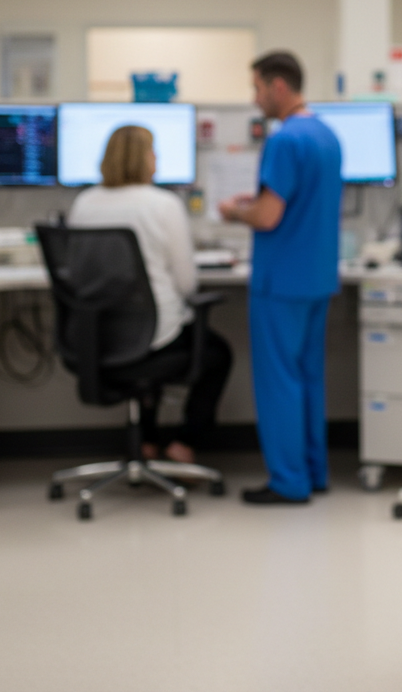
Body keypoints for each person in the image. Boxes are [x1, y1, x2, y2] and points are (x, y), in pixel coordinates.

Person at [218, 51, 342, 505]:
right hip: (316, 278)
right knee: (308, 377)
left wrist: (235, 211)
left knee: (279, 382)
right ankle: (314, 472)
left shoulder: (285, 140)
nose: (255, 99)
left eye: (256, 88)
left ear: (278, 87)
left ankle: (288, 482)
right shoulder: (327, 136)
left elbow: (268, 216)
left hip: (281, 281)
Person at [68, 125, 233, 466]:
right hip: (151, 336)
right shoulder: (163, 204)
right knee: (217, 354)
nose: (157, 159)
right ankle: (185, 443)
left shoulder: (83, 203)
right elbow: (188, 285)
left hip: (96, 337)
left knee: (151, 334)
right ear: (144, 159)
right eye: (153, 152)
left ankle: (146, 441)